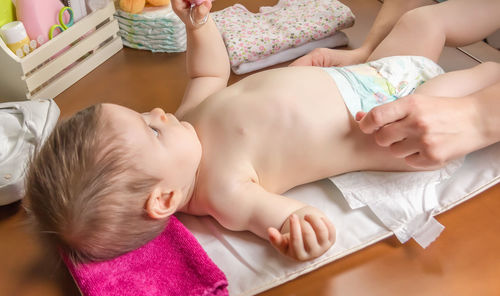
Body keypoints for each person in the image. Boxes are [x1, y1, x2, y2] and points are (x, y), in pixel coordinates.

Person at [24, 0, 500, 263]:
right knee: (479, 79)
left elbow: (207, 75)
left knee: (425, 19)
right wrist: (302, 234)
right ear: (165, 199)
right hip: (400, 121)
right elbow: (289, 215)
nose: (158, 113)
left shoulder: (188, 122)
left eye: (141, 113)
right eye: (151, 131)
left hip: (375, 74)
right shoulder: (224, 193)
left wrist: (200, 26)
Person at [292, 0, 500, 168]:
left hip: (392, 139)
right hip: (383, 119)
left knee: (491, 72)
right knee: (422, 21)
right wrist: (369, 53)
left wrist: (477, 116)